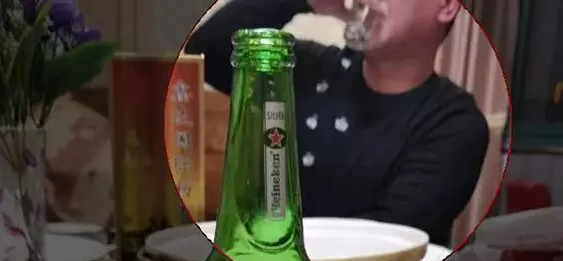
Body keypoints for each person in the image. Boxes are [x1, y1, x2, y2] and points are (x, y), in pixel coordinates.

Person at [184, 0, 490, 247]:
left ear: (446, 6)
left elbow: (388, 239)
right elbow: (207, 49)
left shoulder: (454, 123)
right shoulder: (306, 69)